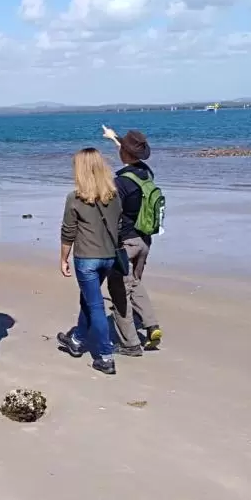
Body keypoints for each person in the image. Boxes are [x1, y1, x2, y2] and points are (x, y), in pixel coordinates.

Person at [56, 148, 124, 375]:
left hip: (87, 258)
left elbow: (68, 232)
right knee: (89, 299)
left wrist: (63, 258)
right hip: (108, 257)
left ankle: (105, 356)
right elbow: (119, 227)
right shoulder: (113, 195)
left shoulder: (75, 198)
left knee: (95, 305)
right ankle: (76, 340)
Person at [102, 126, 163, 353]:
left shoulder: (121, 182)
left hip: (126, 243)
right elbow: (128, 153)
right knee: (134, 283)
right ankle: (150, 323)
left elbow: (111, 214)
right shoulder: (146, 173)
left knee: (119, 291)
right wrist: (114, 137)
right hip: (144, 241)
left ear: (124, 155)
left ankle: (130, 344)